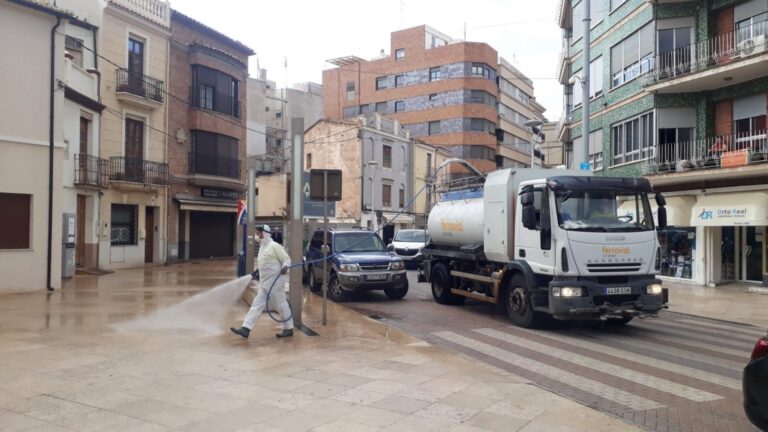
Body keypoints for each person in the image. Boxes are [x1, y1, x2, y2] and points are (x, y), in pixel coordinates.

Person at [231, 224, 294, 339]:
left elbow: (286, 259)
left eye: (259, 232)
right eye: (258, 232)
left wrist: (285, 267)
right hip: (264, 283)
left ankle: (289, 328)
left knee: (281, 305)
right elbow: (263, 262)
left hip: (275, 283)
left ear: (265, 233)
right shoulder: (262, 247)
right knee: (256, 305)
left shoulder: (275, 246)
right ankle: (246, 328)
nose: (258, 234)